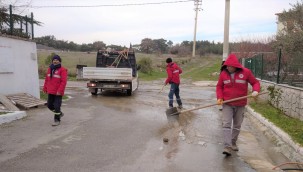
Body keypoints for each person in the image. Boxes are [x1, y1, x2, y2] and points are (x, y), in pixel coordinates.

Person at [216, 54, 260, 156]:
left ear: (235, 66)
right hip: (227, 103)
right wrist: (219, 97)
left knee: (237, 125)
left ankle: (233, 142)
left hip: (240, 104)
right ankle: (227, 146)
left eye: (229, 66)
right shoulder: (223, 74)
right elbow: (219, 86)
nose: (227, 68)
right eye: (226, 66)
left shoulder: (246, 72)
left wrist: (256, 91)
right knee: (226, 124)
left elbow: (255, 83)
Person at [43, 54, 68, 126]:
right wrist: (45, 87)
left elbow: (63, 82)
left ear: (59, 61)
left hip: (58, 92)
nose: (55, 61)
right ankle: (59, 113)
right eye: (54, 60)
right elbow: (47, 79)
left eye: (57, 60)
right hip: (51, 91)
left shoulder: (62, 70)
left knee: (57, 106)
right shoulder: (50, 68)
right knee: (49, 105)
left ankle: (57, 120)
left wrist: (60, 91)